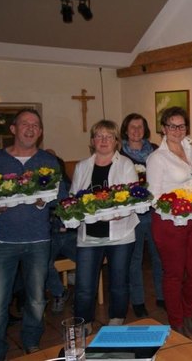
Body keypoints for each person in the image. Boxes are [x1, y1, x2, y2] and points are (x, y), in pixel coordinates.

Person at [0, 108, 65, 360]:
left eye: (36, 125)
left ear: (40, 132)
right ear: (13, 129)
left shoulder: (48, 162)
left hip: (38, 240)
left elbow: (60, 199)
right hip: (3, 241)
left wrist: (44, 203)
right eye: (25, 124)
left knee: (37, 300)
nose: (31, 128)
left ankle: (31, 341)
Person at [72, 120, 139, 334]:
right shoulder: (82, 166)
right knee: (84, 286)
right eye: (99, 136)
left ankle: (116, 319)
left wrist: (111, 213)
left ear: (116, 141)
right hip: (88, 235)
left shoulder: (125, 164)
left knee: (118, 282)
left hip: (121, 233)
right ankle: (84, 322)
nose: (103, 140)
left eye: (108, 136)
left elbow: (131, 199)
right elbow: (73, 200)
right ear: (92, 141)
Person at [146, 107, 192, 337]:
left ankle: (188, 313)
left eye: (181, 126)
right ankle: (177, 321)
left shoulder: (191, 149)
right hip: (169, 223)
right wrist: (177, 203)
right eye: (172, 126)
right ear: (163, 128)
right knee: (174, 273)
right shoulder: (156, 158)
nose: (177, 130)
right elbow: (154, 196)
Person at [119, 113, 164, 318]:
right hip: (133, 214)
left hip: (155, 211)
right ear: (125, 131)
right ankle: (137, 300)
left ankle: (162, 296)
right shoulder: (119, 155)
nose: (136, 131)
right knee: (134, 258)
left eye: (140, 126)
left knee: (159, 255)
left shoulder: (156, 151)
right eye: (132, 127)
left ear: (145, 129)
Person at [45, 148, 74, 314]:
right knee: (42, 261)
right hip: (50, 235)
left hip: (70, 235)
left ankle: (82, 296)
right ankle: (59, 292)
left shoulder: (68, 186)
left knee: (88, 257)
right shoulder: (39, 187)